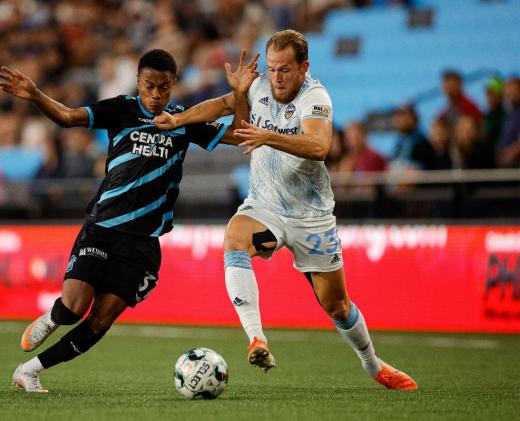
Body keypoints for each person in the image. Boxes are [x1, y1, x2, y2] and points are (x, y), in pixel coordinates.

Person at [154, 29, 417, 390]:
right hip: (265, 208)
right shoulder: (259, 86)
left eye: (285, 70)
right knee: (234, 238)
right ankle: (257, 339)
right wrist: (177, 119)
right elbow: (222, 105)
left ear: (304, 67)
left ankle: (373, 365)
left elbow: (319, 145)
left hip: (312, 218)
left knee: (337, 305)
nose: (276, 77)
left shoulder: (316, 96)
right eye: (273, 68)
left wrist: (267, 136)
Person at [0, 48, 257, 393]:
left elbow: (240, 133)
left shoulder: (184, 119)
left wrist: (239, 94)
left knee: (100, 322)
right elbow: (68, 117)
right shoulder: (120, 109)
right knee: (74, 308)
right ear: (138, 82)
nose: (156, 94)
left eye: (164, 87)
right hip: (101, 228)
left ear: (173, 84)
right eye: (149, 86)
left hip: (142, 242)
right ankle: (53, 317)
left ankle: (29, 371)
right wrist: (36, 96)